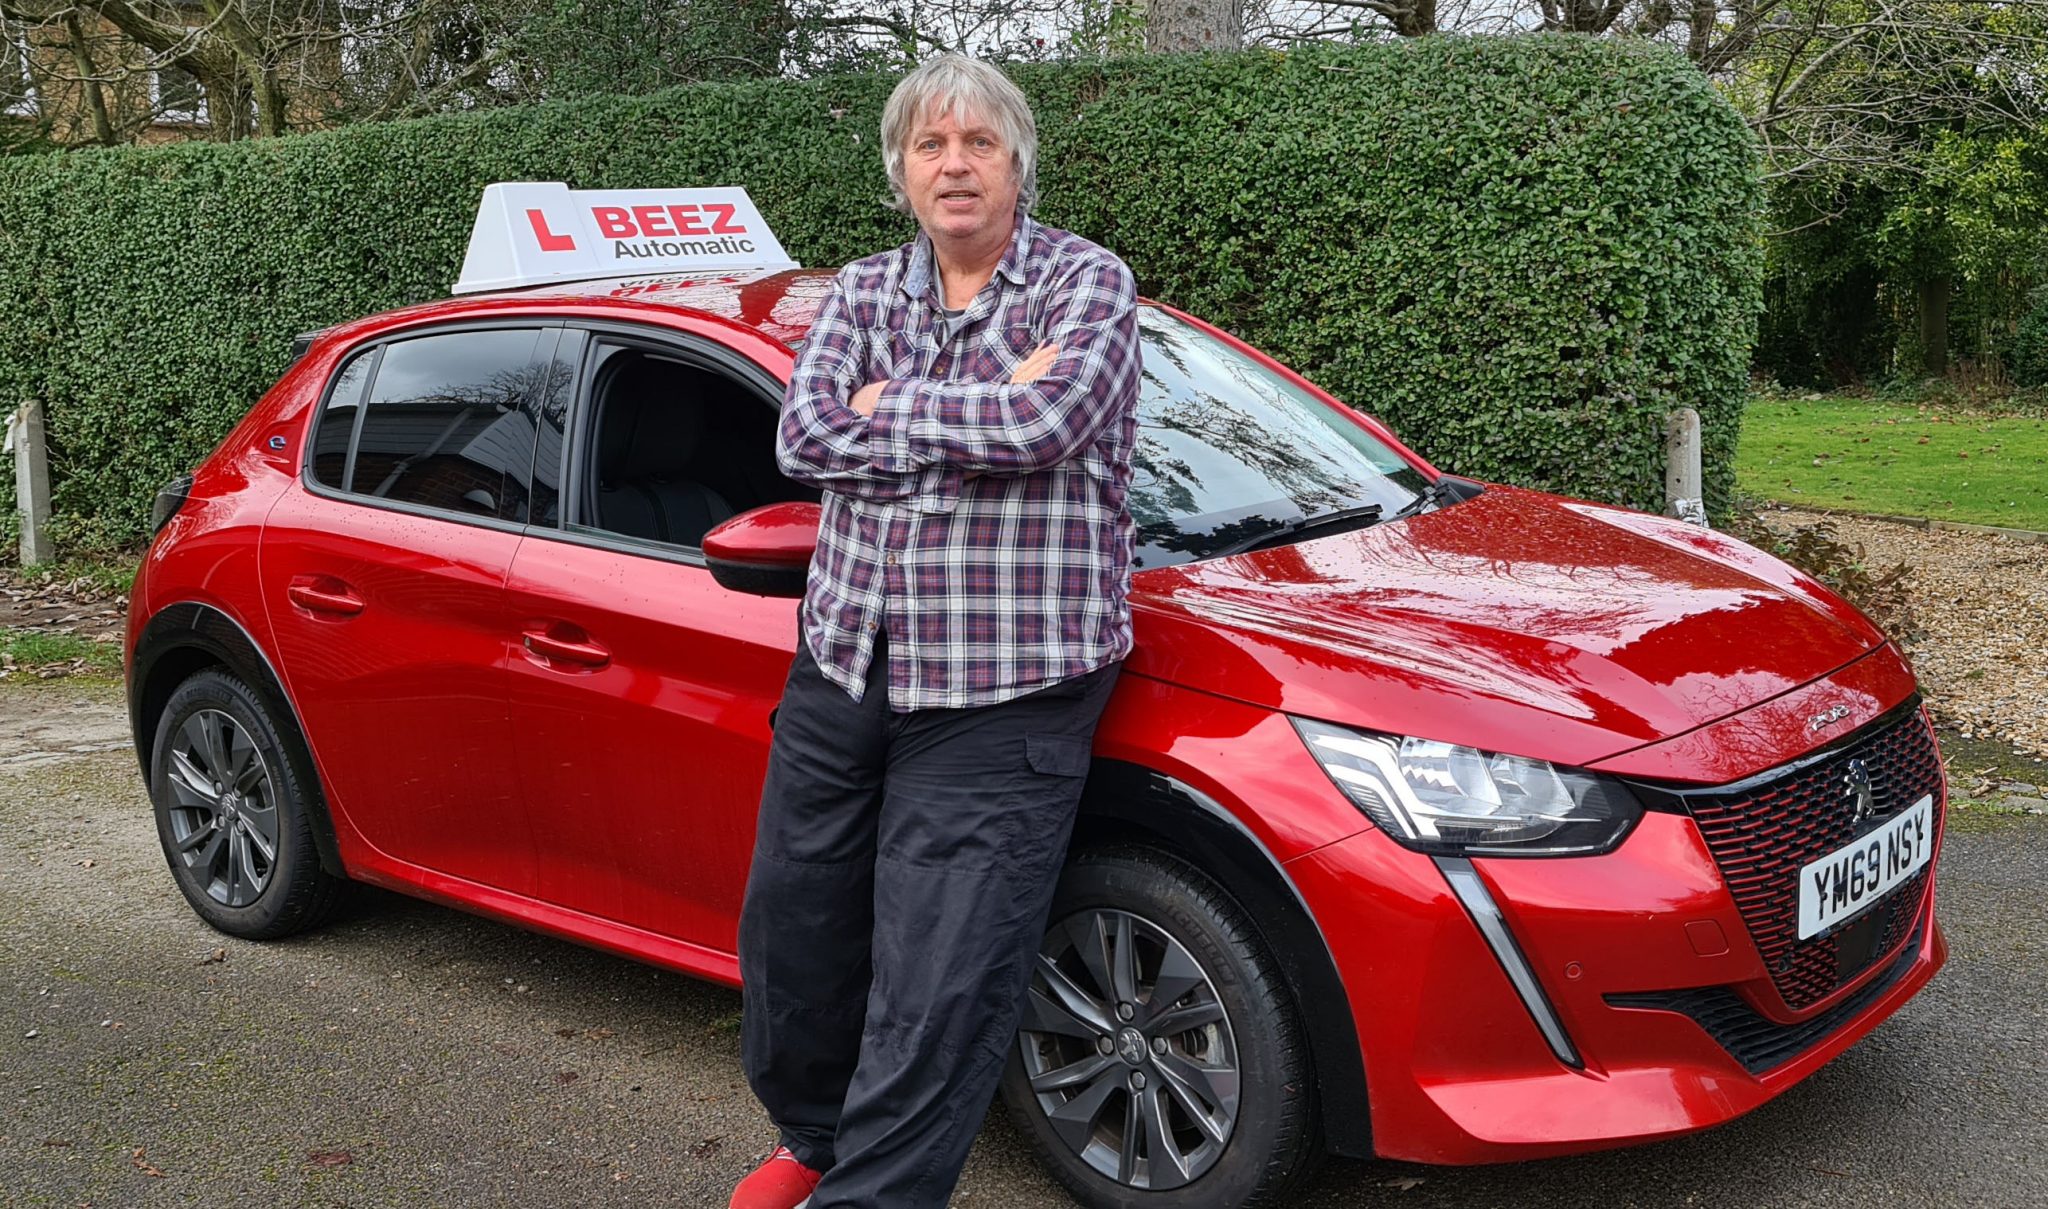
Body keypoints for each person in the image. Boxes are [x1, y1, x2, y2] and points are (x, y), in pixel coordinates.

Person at [729, 52, 1143, 1209]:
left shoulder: (1085, 284)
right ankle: (814, 1140)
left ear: (1017, 161)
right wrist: (978, 407)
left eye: (978, 143)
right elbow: (804, 440)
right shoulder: (860, 292)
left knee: (939, 976)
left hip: (1006, 686)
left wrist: (888, 406)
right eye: (930, 145)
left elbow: (1048, 425)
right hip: (846, 659)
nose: (954, 164)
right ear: (899, 171)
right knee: (793, 933)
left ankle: (873, 1199)